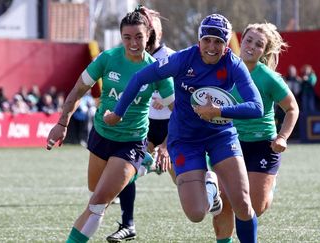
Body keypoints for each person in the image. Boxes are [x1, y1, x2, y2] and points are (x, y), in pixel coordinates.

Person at [104, 14, 264, 243]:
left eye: (218, 42)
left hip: (221, 135)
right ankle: (211, 186)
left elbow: (256, 107)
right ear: (199, 40)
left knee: (243, 204)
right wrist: (118, 113)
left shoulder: (233, 63)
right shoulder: (182, 60)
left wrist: (219, 112)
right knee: (196, 213)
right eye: (207, 40)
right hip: (185, 139)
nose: (212, 47)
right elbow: (140, 78)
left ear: (226, 45)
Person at [45, 9, 174, 243]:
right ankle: (144, 166)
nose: (133, 43)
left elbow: (179, 112)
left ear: (148, 36)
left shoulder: (158, 70)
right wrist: (62, 123)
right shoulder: (107, 58)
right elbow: (78, 90)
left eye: (138, 37)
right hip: (101, 135)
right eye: (127, 37)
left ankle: (137, 163)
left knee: (97, 205)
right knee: (95, 189)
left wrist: (165, 145)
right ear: (120, 37)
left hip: (131, 141)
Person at [212, 22, 299, 243]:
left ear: (264, 51)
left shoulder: (268, 77)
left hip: (263, 145)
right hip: (230, 143)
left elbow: (292, 108)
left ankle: (269, 185)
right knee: (223, 201)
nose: (251, 46)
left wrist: (282, 137)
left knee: (254, 206)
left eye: (258, 44)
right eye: (248, 40)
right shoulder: (224, 69)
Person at [106, 5, 175, 243]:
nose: (135, 38)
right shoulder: (130, 57)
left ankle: (210, 188)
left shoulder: (169, 58)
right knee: (127, 171)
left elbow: (179, 101)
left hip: (172, 126)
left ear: (152, 31)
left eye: (147, 24)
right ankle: (128, 224)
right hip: (146, 127)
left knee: (186, 183)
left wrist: (167, 144)